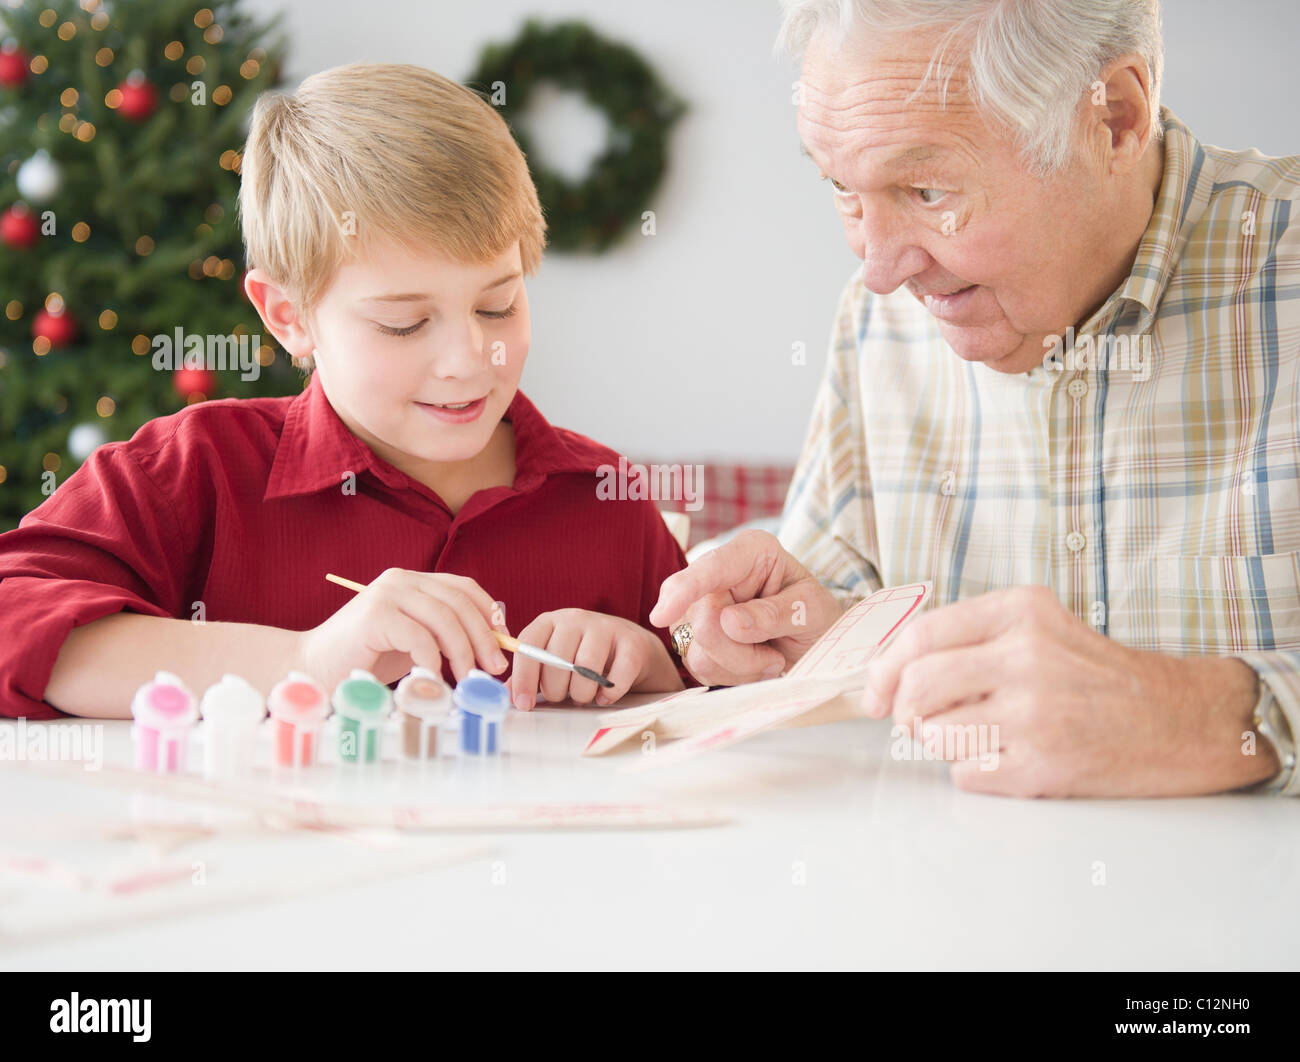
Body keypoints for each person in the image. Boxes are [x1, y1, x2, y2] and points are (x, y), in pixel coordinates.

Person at [652, 0, 1300, 798]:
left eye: (927, 189)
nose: (880, 268)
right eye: (843, 190)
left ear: (1117, 119)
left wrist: (1212, 720)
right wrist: (802, 641)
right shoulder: (880, 319)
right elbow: (834, 623)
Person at [0, 64, 687, 720]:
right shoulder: (193, 472)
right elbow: (12, 617)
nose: (467, 360)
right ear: (287, 316)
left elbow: (709, 689)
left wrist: (651, 668)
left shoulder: (603, 497)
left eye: (497, 305)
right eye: (404, 322)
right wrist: (307, 660)